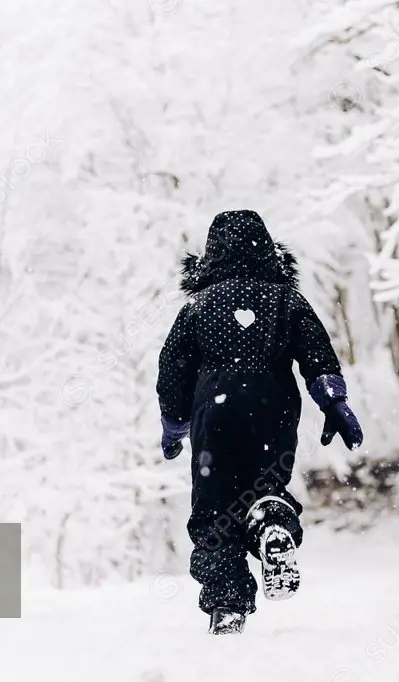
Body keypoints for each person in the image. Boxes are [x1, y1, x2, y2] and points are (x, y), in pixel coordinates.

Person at [156, 209, 364, 635]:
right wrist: (332, 401)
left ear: (211, 256)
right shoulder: (287, 300)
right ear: (269, 251)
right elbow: (317, 352)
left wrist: (174, 425)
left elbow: (172, 370)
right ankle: (271, 523)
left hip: (214, 416)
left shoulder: (197, 306)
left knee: (213, 511)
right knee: (266, 487)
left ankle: (228, 606)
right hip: (273, 413)